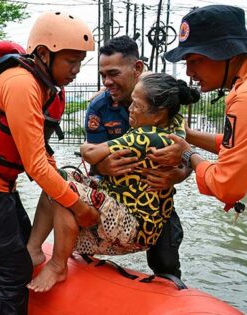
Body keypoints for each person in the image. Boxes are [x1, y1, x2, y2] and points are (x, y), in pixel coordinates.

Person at [154, 5, 247, 314]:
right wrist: (188, 135)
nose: (188, 72)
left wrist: (187, 154)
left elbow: (227, 185)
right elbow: (243, 147)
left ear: (225, 52)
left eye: (195, 60)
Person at [0, 12, 96, 315]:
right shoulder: (22, 85)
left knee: (23, 254)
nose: (76, 70)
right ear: (42, 54)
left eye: (80, 62)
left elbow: (39, 152)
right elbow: (36, 166)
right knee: (13, 273)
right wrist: (79, 207)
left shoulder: (42, 85)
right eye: (70, 61)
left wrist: (63, 182)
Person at [27, 72, 200, 293]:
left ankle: (57, 264)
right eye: (102, 74)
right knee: (64, 177)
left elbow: (90, 153)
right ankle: (36, 249)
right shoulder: (175, 124)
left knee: (60, 182)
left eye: (137, 105)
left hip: (134, 224)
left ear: (158, 114)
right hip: (142, 216)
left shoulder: (145, 135)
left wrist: (85, 149)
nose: (130, 108)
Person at [83, 35, 190, 278]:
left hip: (154, 199)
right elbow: (93, 156)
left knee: (166, 264)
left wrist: (181, 173)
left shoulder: (161, 95)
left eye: (114, 73)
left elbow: (184, 148)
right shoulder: (98, 107)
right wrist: (103, 166)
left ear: (137, 68)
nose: (107, 82)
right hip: (114, 194)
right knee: (82, 247)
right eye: (103, 75)